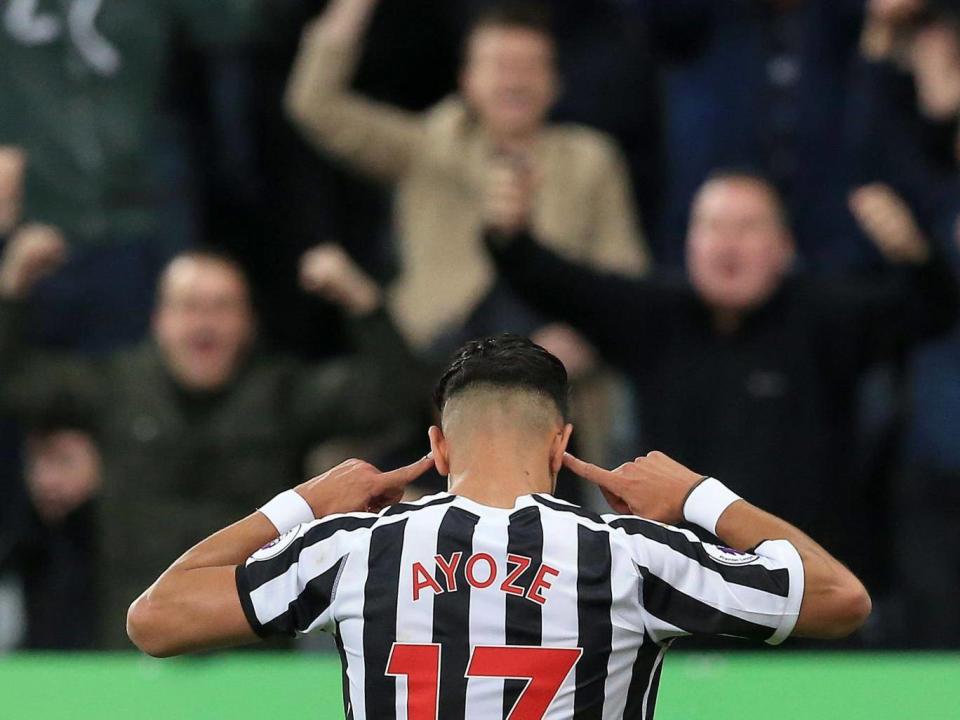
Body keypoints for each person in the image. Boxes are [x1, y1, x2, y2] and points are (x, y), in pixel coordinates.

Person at [127, 334, 870, 718]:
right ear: (561, 445)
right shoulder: (630, 557)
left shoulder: (351, 552)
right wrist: (699, 496)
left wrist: (304, 503)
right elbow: (839, 597)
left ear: (438, 448)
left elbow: (156, 618)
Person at [481, 167, 959, 585]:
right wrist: (509, 235)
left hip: (802, 593)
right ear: (689, 242)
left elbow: (930, 312)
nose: (727, 243)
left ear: (785, 247)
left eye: (747, 227)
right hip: (678, 595)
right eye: (711, 226)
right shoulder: (654, 318)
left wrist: (913, 254)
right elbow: (560, 285)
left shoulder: (823, 320)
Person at [0, 228, 423, 648]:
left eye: (222, 307)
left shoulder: (280, 392)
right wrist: (11, 287)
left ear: (249, 323)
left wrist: (361, 300)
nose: (204, 324)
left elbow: (398, 397)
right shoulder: (116, 386)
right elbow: (12, 383)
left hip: (256, 654)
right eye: (189, 307)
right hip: (133, 650)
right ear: (159, 321)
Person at [285, 0, 648, 356]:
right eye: (501, 66)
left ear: (555, 82)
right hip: (434, 361)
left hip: (552, 372)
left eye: (529, 66)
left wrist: (581, 341)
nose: (515, 81)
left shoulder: (592, 160)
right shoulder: (426, 146)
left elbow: (627, 280)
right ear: (467, 79)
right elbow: (315, 105)